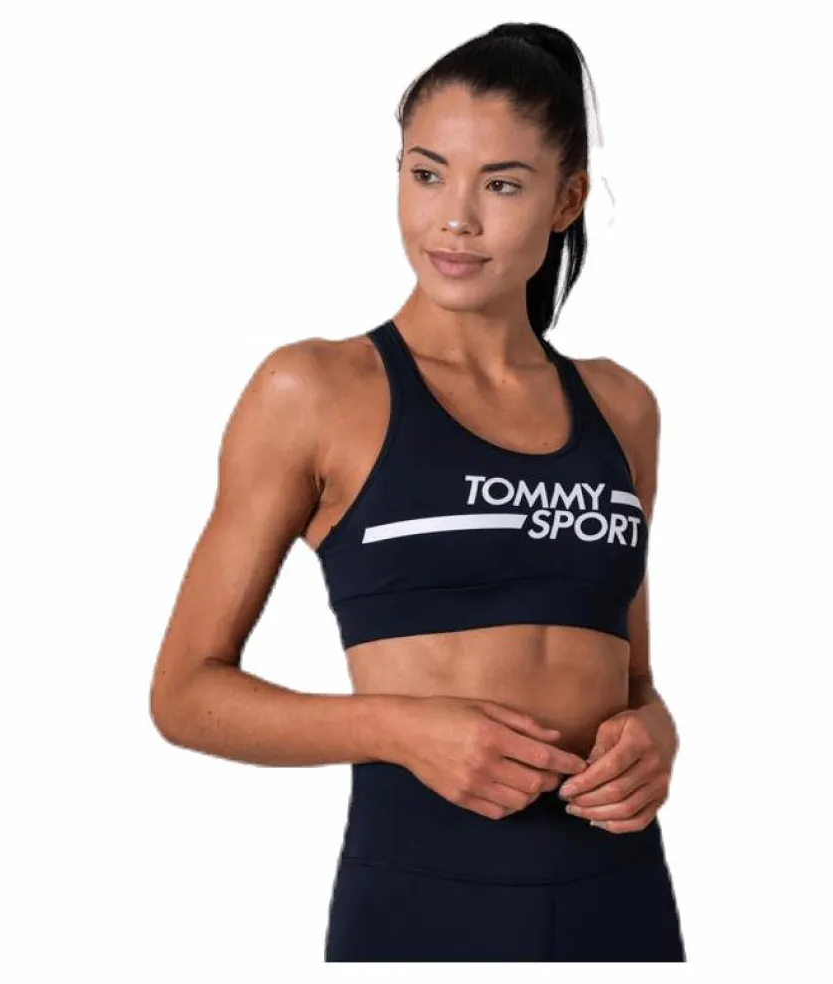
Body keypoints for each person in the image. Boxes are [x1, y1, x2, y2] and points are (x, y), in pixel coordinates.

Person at [149, 20, 686, 963]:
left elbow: (630, 673)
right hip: (422, 896)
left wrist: (658, 730)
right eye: (427, 174)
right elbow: (184, 694)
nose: (455, 219)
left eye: (502, 185)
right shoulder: (315, 391)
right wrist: (396, 727)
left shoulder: (622, 407)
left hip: (621, 895)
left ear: (567, 200)